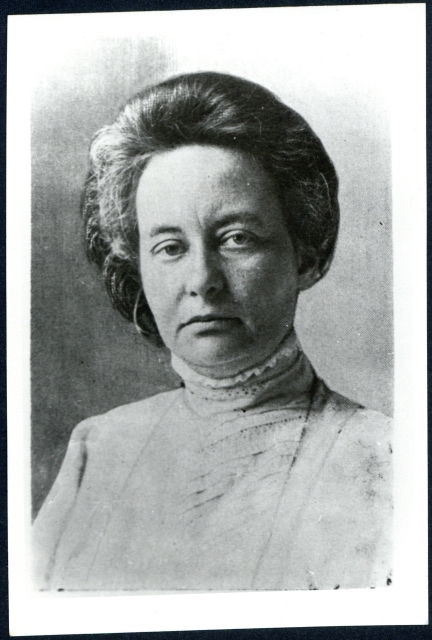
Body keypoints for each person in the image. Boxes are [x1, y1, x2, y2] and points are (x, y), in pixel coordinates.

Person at [32, 71, 392, 591]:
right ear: (137, 267)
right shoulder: (100, 448)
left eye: (237, 238)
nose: (203, 280)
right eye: (170, 248)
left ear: (306, 256)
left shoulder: (382, 456)